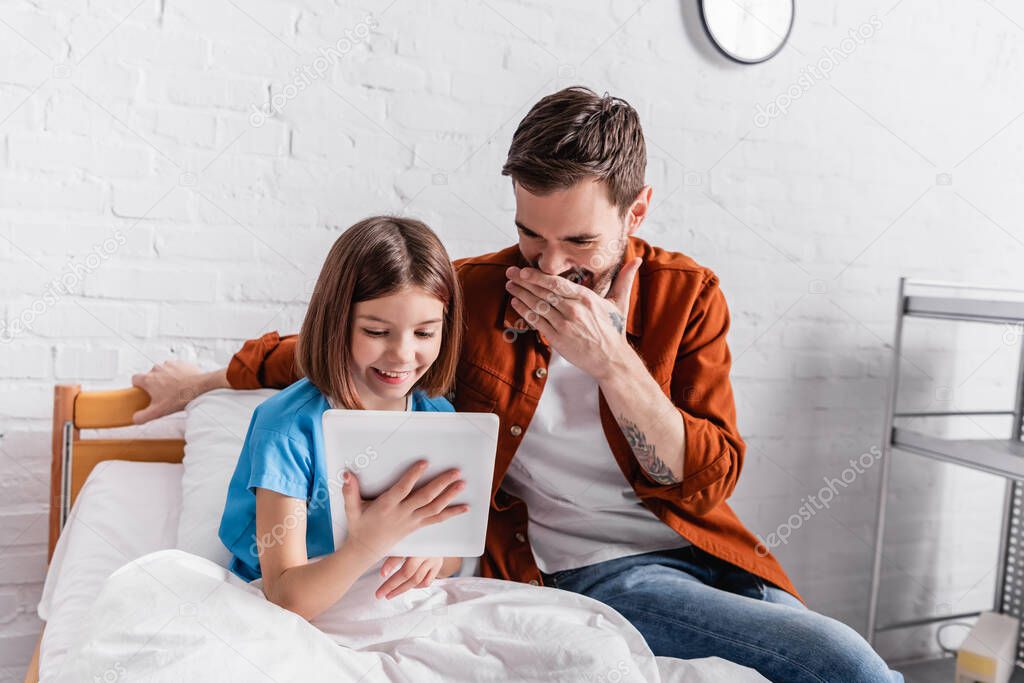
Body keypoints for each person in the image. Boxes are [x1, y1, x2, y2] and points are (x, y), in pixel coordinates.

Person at [135, 87, 902, 681]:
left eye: (579, 242)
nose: (549, 265)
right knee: (844, 661)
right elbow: (346, 337)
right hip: (590, 569)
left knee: (836, 656)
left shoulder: (687, 295)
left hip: (703, 550)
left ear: (637, 212)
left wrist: (613, 363)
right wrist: (207, 378)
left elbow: (708, 480)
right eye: (531, 234)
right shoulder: (474, 293)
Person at [217, 215, 469, 621]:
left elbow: (453, 554)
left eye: (424, 333)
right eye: (376, 332)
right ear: (338, 323)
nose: (403, 355)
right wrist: (367, 544)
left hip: (391, 605)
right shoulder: (287, 428)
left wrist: (432, 555)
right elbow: (285, 597)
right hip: (295, 610)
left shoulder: (437, 416)